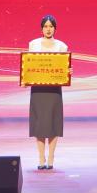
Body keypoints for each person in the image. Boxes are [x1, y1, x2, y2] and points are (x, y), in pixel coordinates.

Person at [28, 14, 68, 170]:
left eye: (51, 26)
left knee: (53, 123)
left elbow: (63, 68)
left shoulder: (62, 46)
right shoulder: (33, 44)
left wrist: (68, 72)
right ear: (41, 29)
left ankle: (51, 157)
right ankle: (41, 157)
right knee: (39, 124)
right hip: (38, 90)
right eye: (45, 26)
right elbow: (29, 66)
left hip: (54, 91)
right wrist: (25, 79)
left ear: (55, 29)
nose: (48, 29)